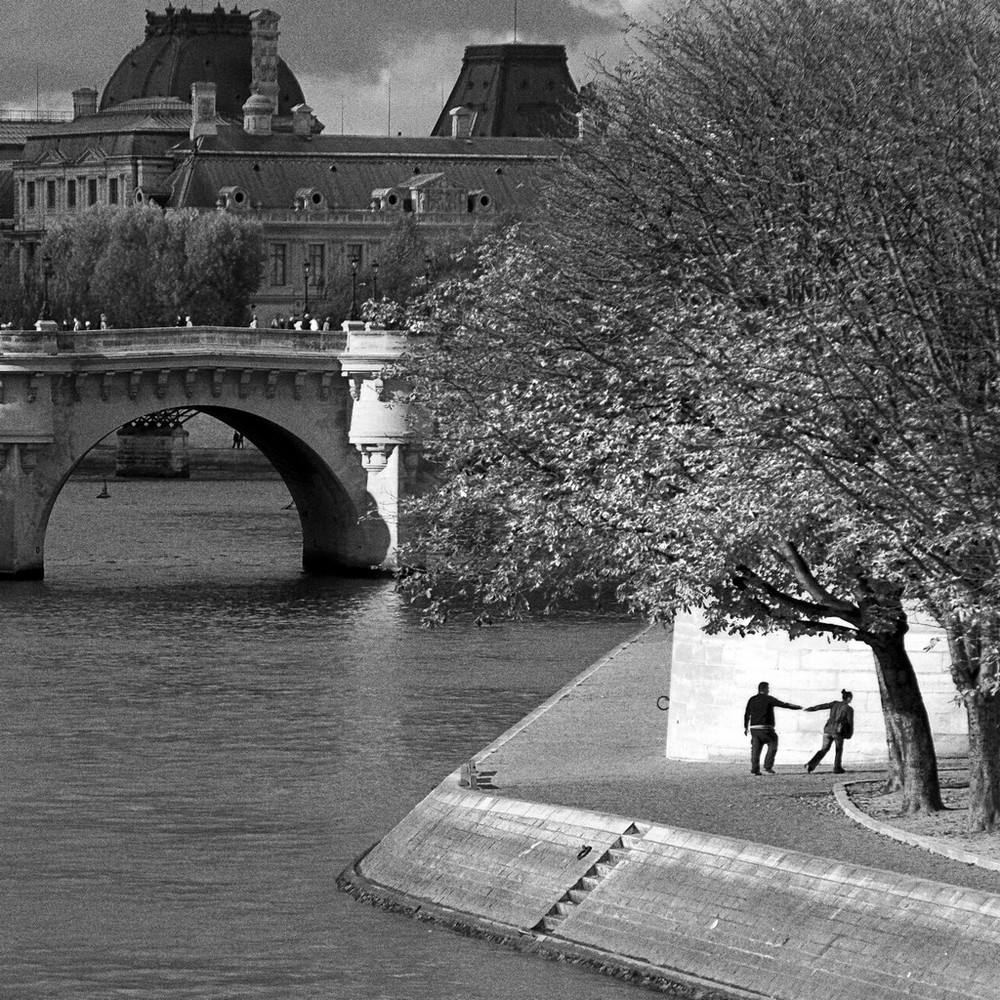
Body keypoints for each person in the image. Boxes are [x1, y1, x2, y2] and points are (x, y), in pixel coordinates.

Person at [743, 681, 802, 775]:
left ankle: (755, 769)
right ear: (765, 689)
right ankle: (767, 767)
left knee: (756, 749)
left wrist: (745, 727)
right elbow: (783, 704)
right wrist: (797, 707)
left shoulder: (752, 699)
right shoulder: (768, 699)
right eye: (768, 688)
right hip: (766, 728)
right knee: (773, 743)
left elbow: (747, 714)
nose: (768, 690)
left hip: (754, 728)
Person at [804, 690, 854, 774]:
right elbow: (850, 722)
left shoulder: (834, 704)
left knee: (824, 749)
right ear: (848, 698)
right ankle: (837, 768)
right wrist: (850, 733)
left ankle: (811, 765)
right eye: (851, 698)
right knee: (838, 749)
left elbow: (822, 706)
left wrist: (812, 708)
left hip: (827, 730)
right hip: (838, 732)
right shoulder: (849, 709)